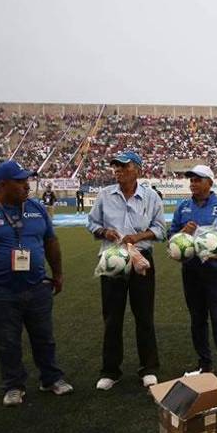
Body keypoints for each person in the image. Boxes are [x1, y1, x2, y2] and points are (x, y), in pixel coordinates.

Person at [0, 160, 71, 407]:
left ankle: (51, 378)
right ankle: (13, 385)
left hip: (37, 285)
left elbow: (51, 241)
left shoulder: (36, 208)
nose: (26, 186)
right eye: (20, 181)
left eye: (26, 180)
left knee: (44, 337)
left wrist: (58, 273)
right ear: (1, 185)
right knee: (7, 340)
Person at [87, 149, 166, 390]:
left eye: (124, 165)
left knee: (144, 316)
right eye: (116, 166)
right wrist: (104, 232)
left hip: (141, 259)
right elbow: (91, 222)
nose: (118, 170)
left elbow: (161, 229)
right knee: (112, 317)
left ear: (138, 170)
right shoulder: (104, 195)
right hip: (112, 260)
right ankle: (110, 371)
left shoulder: (151, 196)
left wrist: (139, 235)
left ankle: (149, 368)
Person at [169, 164, 217, 380]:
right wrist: (183, 233)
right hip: (191, 271)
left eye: (198, 179)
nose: (193, 183)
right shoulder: (183, 207)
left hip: (215, 272)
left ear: (210, 183)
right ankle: (204, 364)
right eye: (191, 180)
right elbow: (172, 236)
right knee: (197, 319)